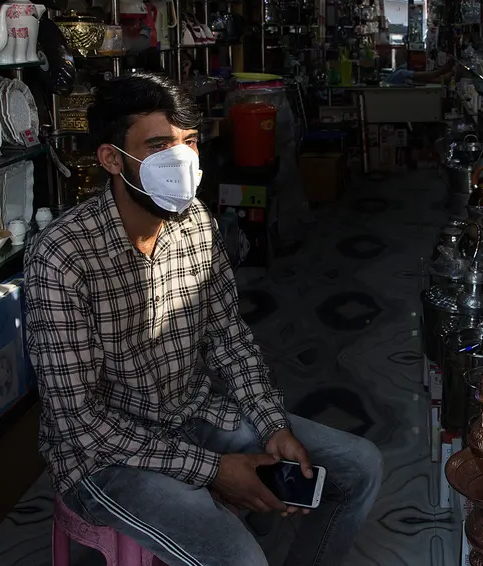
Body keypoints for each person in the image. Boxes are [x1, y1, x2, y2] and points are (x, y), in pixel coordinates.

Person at [24, 73, 383, 566]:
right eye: (158, 147)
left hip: (193, 413)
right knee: (240, 559)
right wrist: (213, 470)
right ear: (111, 158)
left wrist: (272, 425)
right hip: (104, 458)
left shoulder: (195, 221)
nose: (181, 162)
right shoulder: (62, 256)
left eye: (188, 143)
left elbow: (229, 339)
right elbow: (79, 422)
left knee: (359, 466)